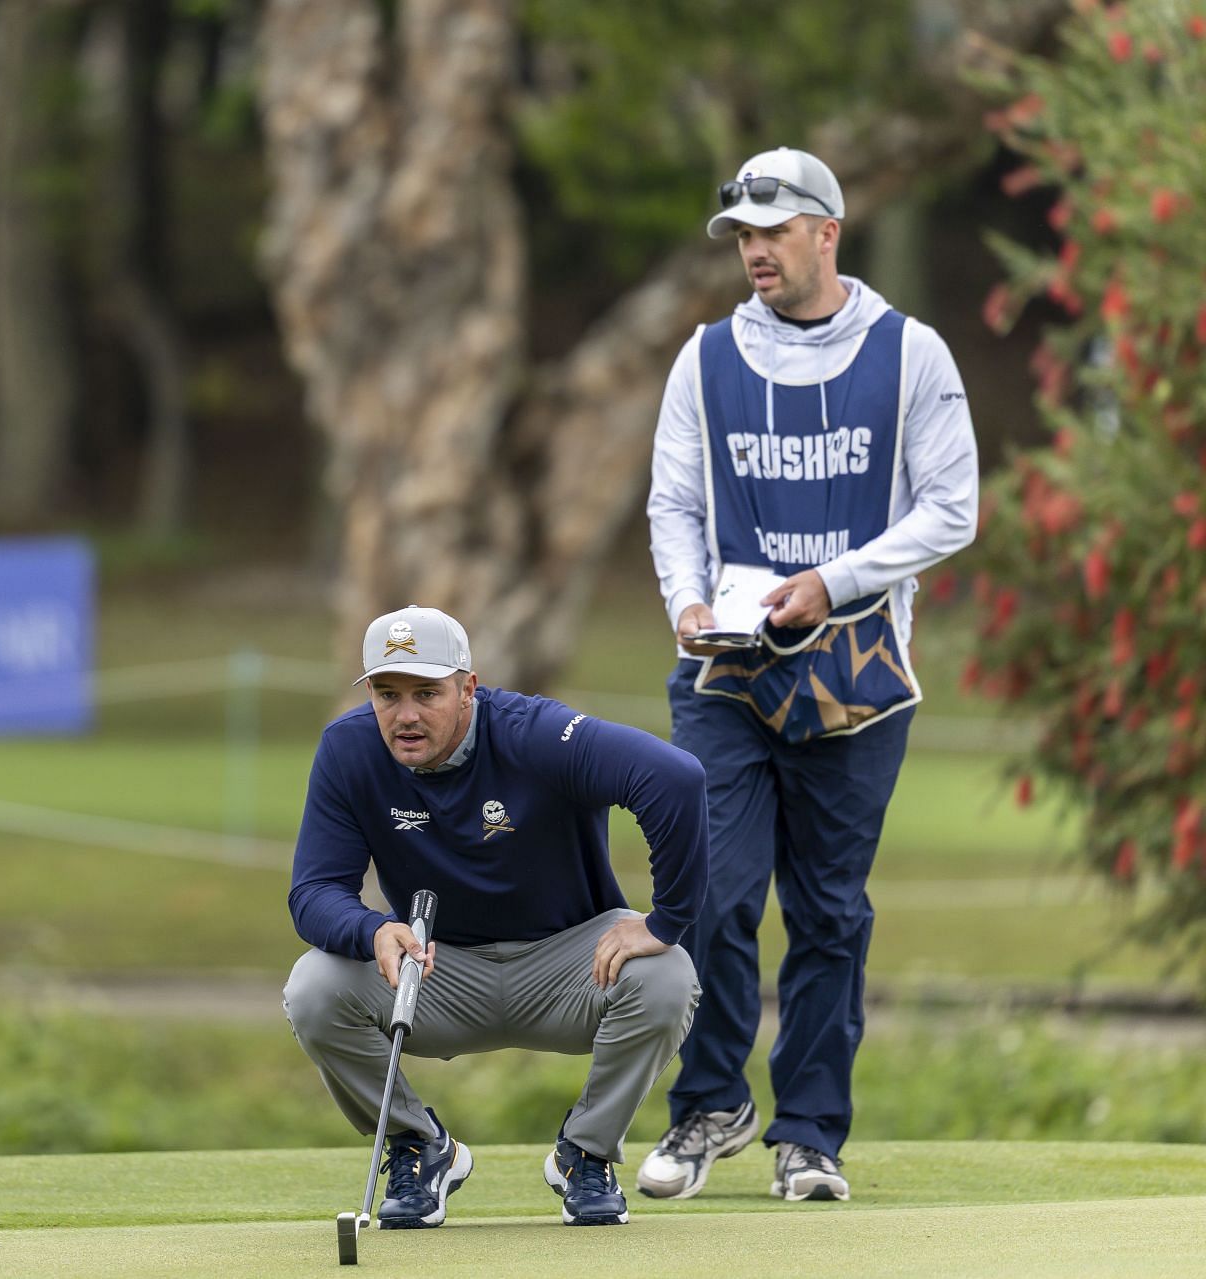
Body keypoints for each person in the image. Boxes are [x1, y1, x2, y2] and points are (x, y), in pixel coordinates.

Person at [641, 146, 978, 1203]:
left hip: (858, 674)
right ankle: (709, 1106)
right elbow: (675, 504)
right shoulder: (701, 359)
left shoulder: (911, 352)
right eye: (742, 233)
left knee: (829, 910)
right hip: (726, 671)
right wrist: (685, 602)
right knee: (713, 893)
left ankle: (811, 1134)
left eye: (773, 230)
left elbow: (951, 507)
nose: (754, 250)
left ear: (827, 232)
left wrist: (833, 580)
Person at [283, 604, 709, 1229]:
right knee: (314, 987)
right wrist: (371, 928)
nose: (405, 715)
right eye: (387, 693)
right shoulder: (349, 750)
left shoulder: (535, 733)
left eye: (427, 693)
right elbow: (315, 889)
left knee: (668, 974)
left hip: (573, 963)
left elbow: (675, 778)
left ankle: (585, 1155)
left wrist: (666, 919)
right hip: (438, 968)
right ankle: (419, 1149)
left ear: (467, 689)